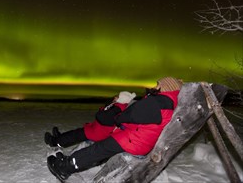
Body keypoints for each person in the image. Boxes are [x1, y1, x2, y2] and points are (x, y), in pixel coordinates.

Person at [46, 77, 183, 181]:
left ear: (166, 87)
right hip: (139, 139)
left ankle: (64, 168)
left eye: (159, 85)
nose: (156, 86)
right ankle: (68, 161)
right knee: (98, 148)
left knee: (97, 150)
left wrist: (119, 119)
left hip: (133, 140)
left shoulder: (160, 101)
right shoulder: (168, 102)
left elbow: (134, 114)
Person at [44, 91, 137, 148]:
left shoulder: (117, 109)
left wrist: (107, 108)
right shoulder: (117, 106)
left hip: (98, 133)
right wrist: (111, 103)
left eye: (118, 96)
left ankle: (54, 142)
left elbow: (101, 117)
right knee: (75, 133)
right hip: (97, 129)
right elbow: (103, 110)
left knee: (75, 135)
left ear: (121, 99)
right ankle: (59, 137)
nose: (115, 96)